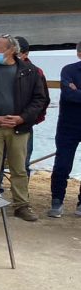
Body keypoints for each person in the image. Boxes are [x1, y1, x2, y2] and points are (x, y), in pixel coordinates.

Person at [0, 34, 49, 222]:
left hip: (19, 128)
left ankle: (21, 205)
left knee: (19, 168)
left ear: (12, 50)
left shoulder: (31, 72)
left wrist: (21, 118)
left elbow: (40, 99)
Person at [0, 36, 49, 190]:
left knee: (22, 163)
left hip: (23, 126)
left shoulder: (35, 72)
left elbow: (42, 100)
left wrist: (27, 119)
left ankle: (20, 200)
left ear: (25, 54)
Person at [49, 41, 81, 218]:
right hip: (68, 126)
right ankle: (57, 200)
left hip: (70, 122)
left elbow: (74, 94)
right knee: (62, 164)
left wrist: (77, 91)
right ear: (78, 53)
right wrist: (73, 92)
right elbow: (69, 95)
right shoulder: (68, 70)